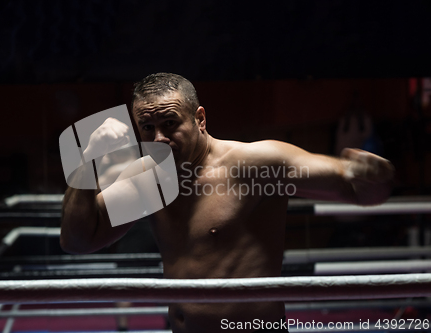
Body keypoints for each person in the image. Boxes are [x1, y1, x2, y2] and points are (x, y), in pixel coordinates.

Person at [60, 73, 395, 333]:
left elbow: (357, 189)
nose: (159, 138)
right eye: (147, 128)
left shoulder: (256, 165)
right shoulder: (149, 181)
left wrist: (372, 175)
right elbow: (78, 240)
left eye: (170, 124)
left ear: (200, 119)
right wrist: (88, 159)